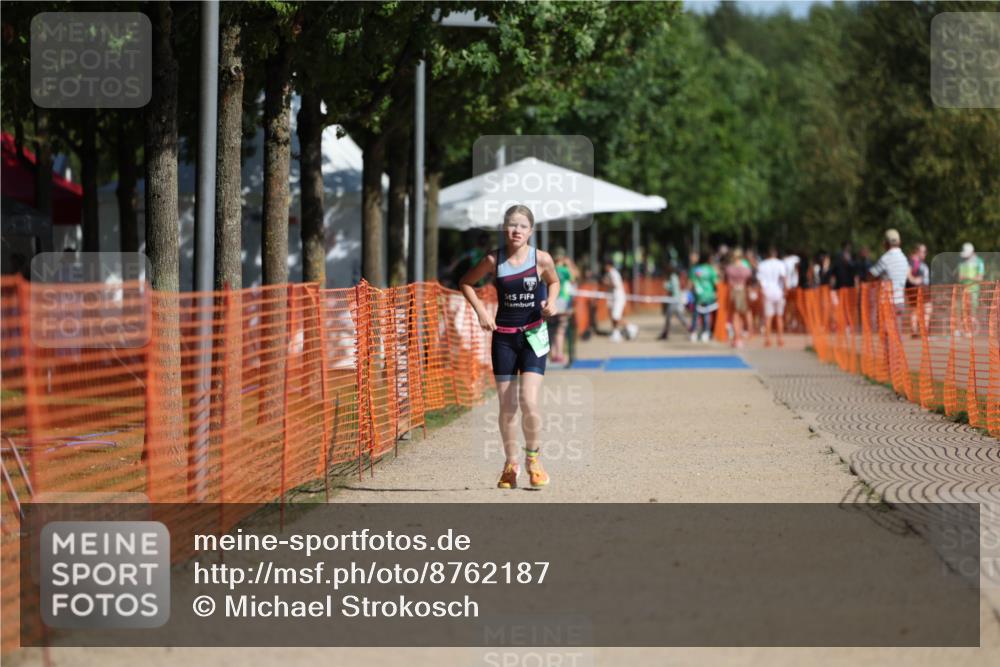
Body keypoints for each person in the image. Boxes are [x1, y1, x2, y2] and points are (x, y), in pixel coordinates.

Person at [459, 205, 559, 490]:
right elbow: (465, 282)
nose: (516, 230)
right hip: (503, 337)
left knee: (529, 400)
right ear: (504, 228)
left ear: (531, 231)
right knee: (507, 406)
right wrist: (481, 311)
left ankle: (533, 460)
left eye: (522, 226)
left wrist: (551, 302)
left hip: (533, 336)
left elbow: (554, 282)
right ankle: (510, 465)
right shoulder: (493, 260)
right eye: (512, 225)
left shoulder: (541, 259)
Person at [869, 229, 909, 325]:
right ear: (899, 242)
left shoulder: (885, 258)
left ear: (886, 243)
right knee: (897, 332)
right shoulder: (904, 258)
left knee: (886, 333)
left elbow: (871, 275)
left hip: (887, 301)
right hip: (900, 300)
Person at [549, 247, 578, 364]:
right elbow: (574, 278)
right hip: (563, 300)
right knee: (561, 329)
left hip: (552, 299)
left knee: (551, 329)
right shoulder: (564, 270)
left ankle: (552, 353)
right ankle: (559, 354)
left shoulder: (550, 269)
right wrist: (570, 264)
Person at [757, 247, 788, 347]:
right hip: (779, 292)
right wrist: (785, 289)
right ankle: (780, 339)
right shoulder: (780, 264)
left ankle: (768, 340)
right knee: (779, 317)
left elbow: (759, 280)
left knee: (768, 318)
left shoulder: (762, 265)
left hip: (767, 292)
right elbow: (784, 277)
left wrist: (762, 290)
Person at [724, 248, 753, 348]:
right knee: (740, 316)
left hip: (733, 292)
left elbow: (727, 281)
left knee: (735, 316)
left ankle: (736, 339)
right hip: (742, 292)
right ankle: (739, 338)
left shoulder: (729, 269)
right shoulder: (746, 269)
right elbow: (749, 280)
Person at [602, 259, 636, 342]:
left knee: (616, 316)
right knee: (613, 316)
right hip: (613, 298)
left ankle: (631, 327)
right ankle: (616, 333)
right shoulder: (610, 273)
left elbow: (615, 285)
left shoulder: (614, 273)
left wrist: (606, 283)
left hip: (618, 298)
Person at [689, 252, 718, 343]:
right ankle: (705, 332)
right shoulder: (711, 269)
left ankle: (693, 332)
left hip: (698, 295)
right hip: (709, 294)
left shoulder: (696, 269)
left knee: (696, 314)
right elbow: (716, 282)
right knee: (706, 314)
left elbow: (692, 282)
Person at [957, 242, 985, 336]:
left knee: (972, 310)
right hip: (963, 289)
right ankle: (963, 329)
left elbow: (980, 278)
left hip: (974, 290)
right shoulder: (962, 263)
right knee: (962, 310)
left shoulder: (979, 262)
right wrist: (963, 278)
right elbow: (960, 277)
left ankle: (971, 329)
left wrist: (967, 278)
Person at [658, 264, 690, 340]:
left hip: (674, 301)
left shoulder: (673, 277)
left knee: (671, 317)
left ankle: (665, 333)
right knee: (677, 317)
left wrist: (666, 285)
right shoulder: (672, 277)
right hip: (673, 300)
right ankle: (665, 333)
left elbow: (673, 289)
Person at [906, 243, 930, 337]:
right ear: (917, 251)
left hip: (915, 288)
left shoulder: (915, 261)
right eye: (923, 251)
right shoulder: (914, 261)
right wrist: (914, 280)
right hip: (919, 288)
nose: (925, 254)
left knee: (915, 310)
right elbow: (908, 272)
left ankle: (915, 331)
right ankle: (923, 331)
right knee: (927, 308)